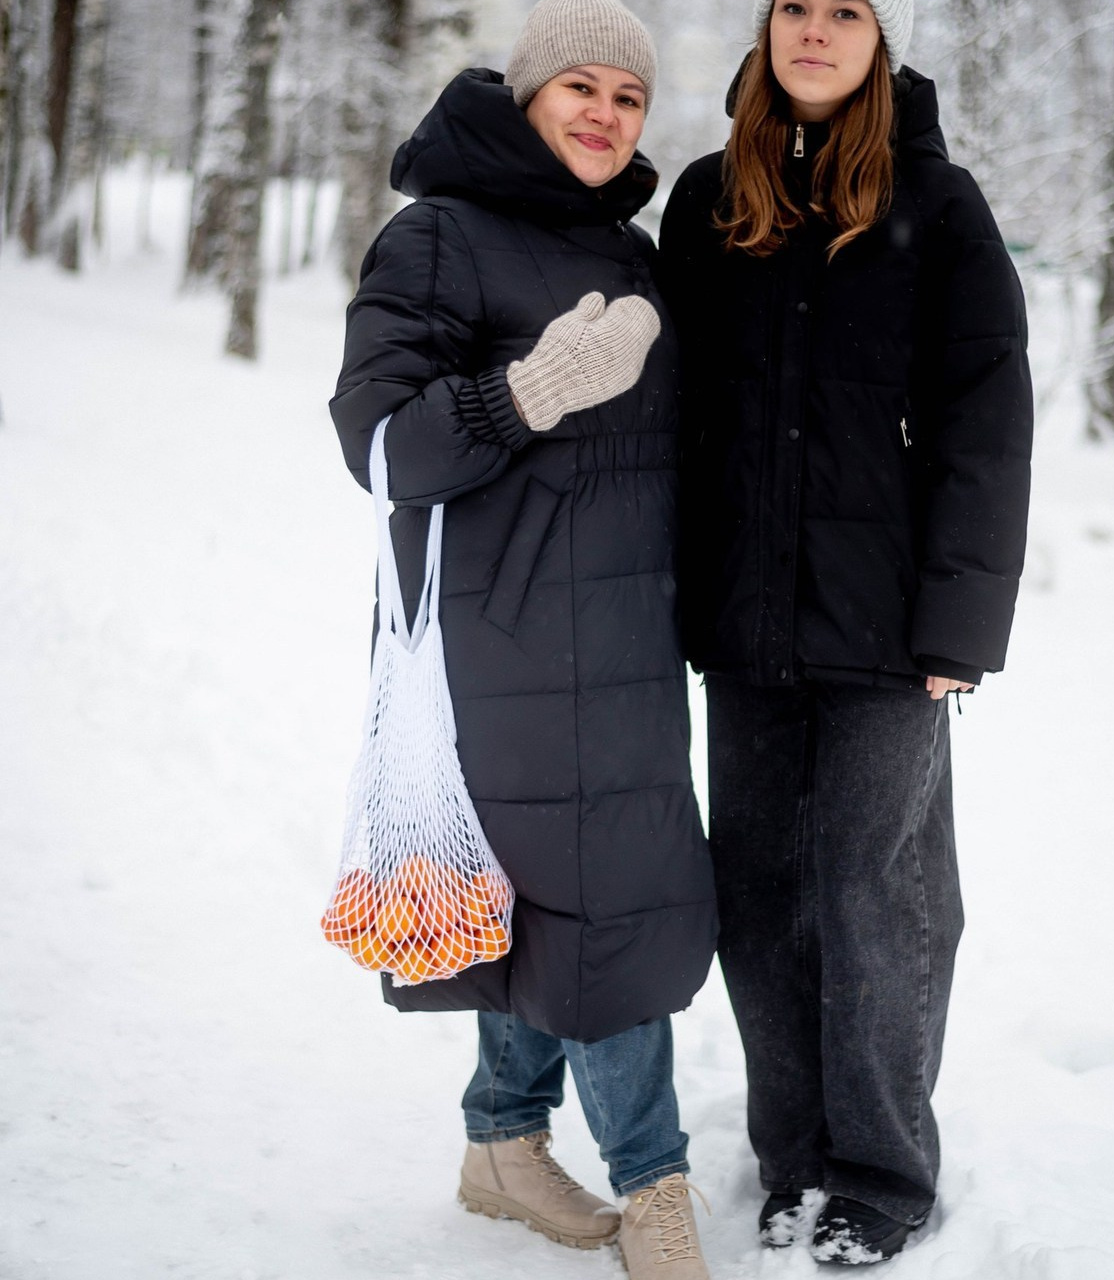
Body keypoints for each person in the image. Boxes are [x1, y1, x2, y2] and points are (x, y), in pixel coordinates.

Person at [330, 2, 717, 1274]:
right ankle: (654, 1189)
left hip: (621, 633)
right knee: (605, 904)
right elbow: (381, 447)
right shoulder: (438, 235)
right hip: (500, 643)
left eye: (625, 94)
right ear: (527, 95)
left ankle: (501, 1137)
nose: (605, 113)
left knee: (554, 900)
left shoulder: (627, 243)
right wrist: (528, 389)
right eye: (580, 88)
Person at [659, 0, 1032, 1265]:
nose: (813, 32)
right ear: (764, 30)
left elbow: (988, 428)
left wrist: (958, 627)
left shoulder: (939, 204)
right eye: (792, 9)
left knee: (876, 898)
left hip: (887, 638)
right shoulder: (710, 197)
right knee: (757, 900)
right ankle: (793, 1155)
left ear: (881, 36)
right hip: (743, 621)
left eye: (845, 11)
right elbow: (676, 418)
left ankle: (876, 1168)